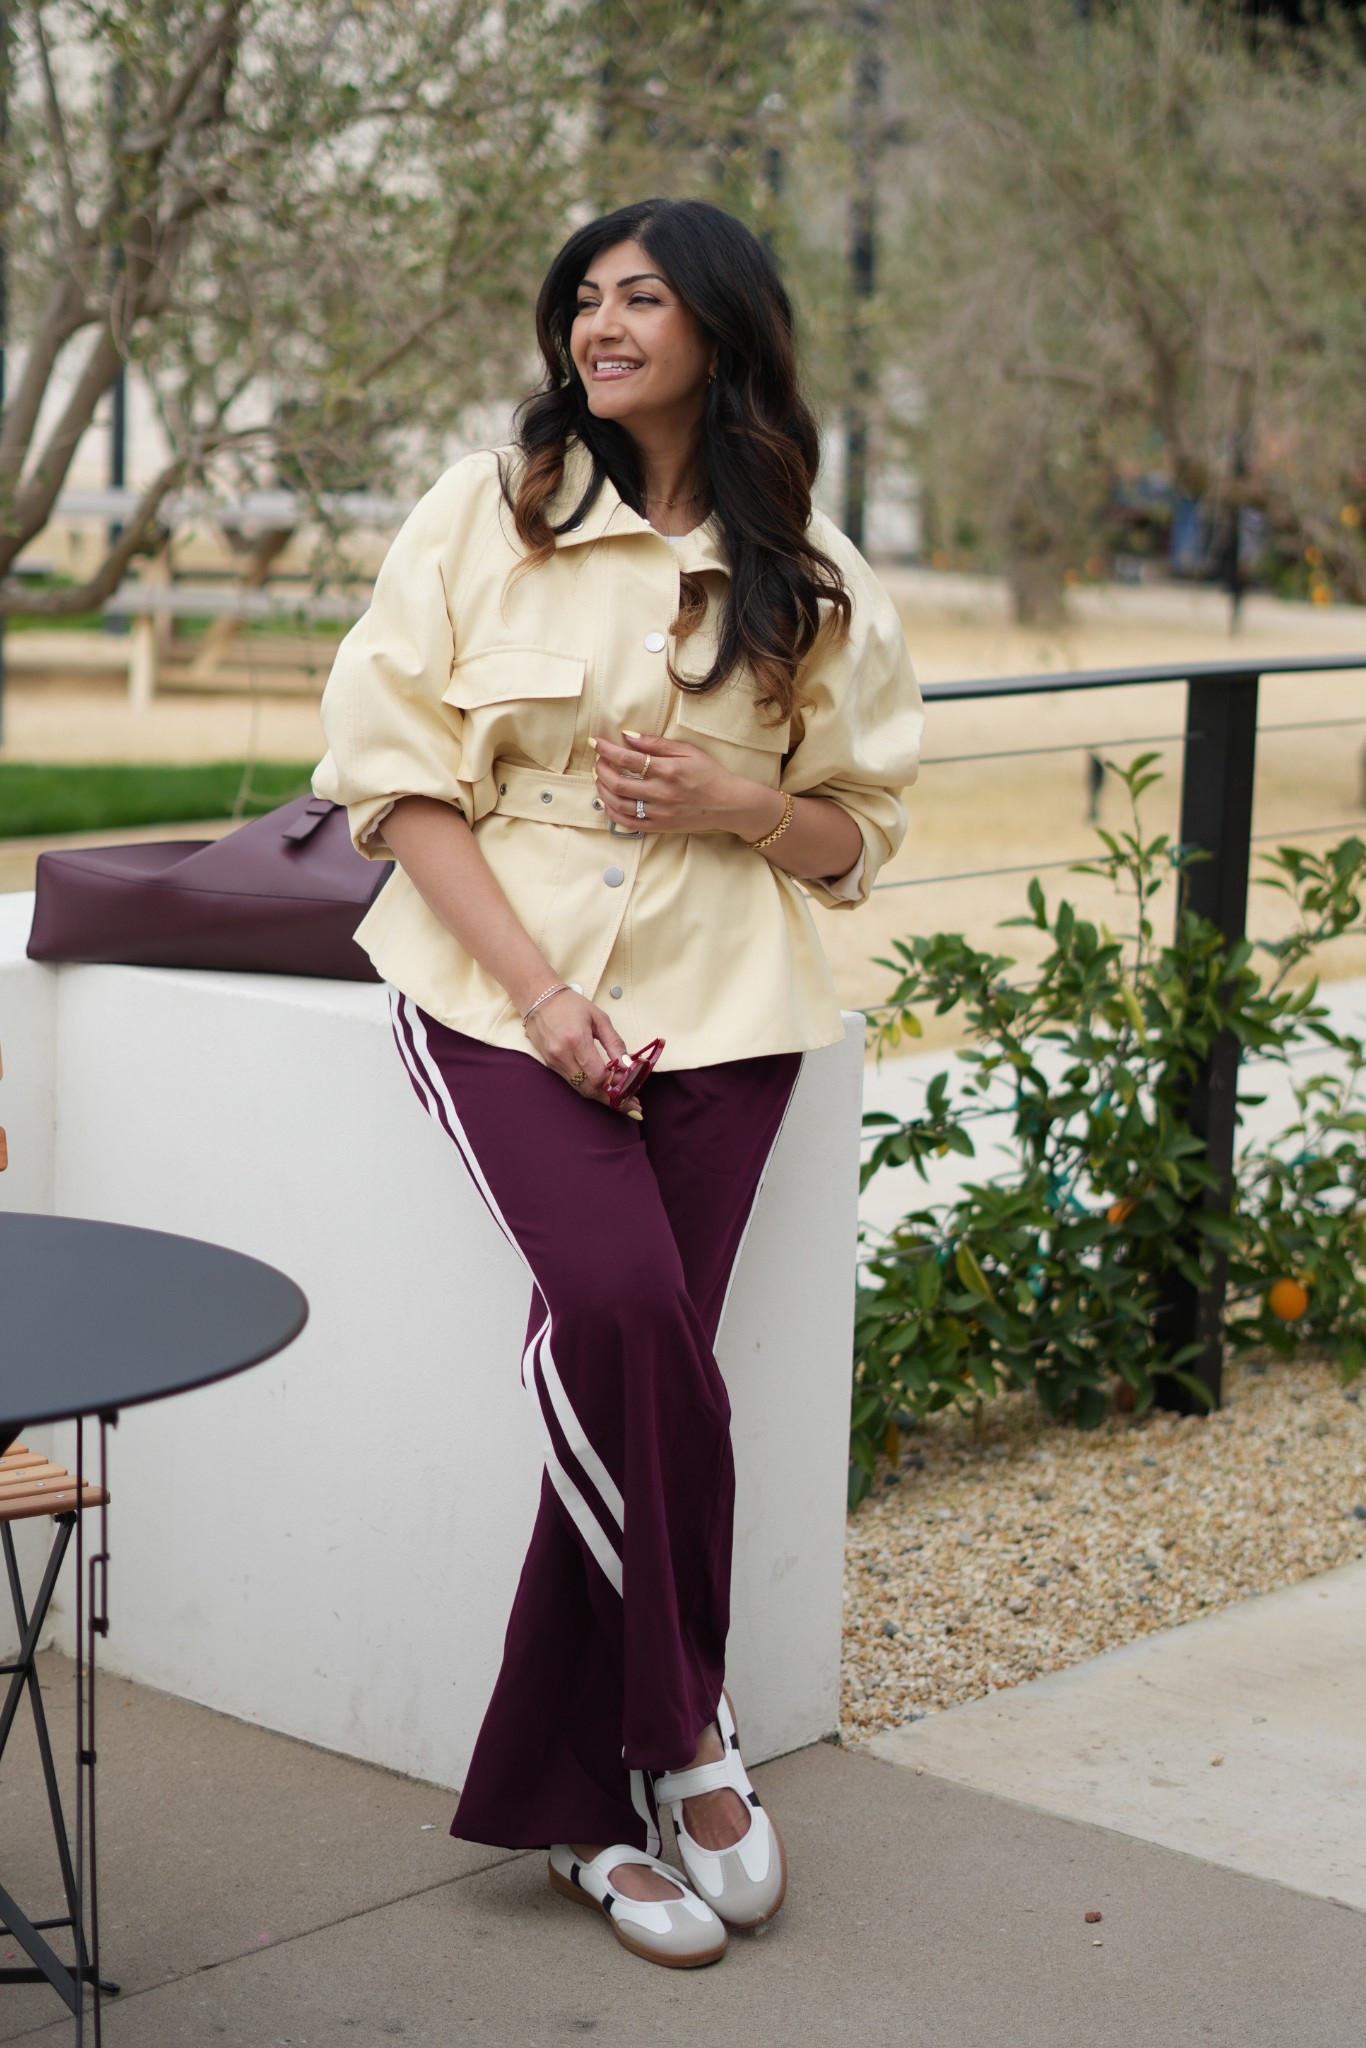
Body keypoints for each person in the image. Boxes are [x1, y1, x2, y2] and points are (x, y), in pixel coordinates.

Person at [313, 195, 923, 1970]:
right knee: (624, 1320)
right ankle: (689, 1740)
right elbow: (391, 779)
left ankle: (576, 1815)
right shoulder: (482, 512)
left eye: (640, 297)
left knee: (636, 1375)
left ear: (721, 328)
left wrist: (742, 804)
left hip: (727, 1011)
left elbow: (857, 835)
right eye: (582, 297)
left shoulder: (810, 569)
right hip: (495, 991)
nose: (599, 324)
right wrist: (541, 996)